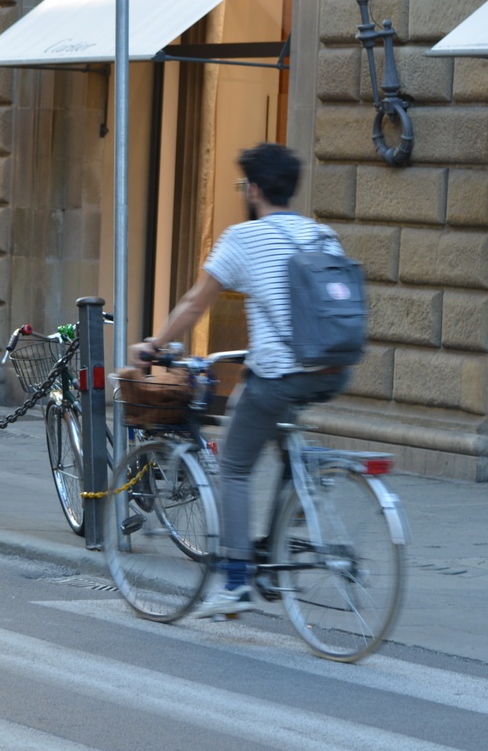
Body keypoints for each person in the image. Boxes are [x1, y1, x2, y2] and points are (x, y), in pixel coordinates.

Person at [127, 142, 352, 618]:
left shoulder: (244, 237)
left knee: (232, 465)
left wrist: (154, 344)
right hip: (332, 368)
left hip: (279, 373)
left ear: (253, 189)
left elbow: (196, 303)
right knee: (281, 433)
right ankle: (298, 494)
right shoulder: (322, 235)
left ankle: (235, 582)